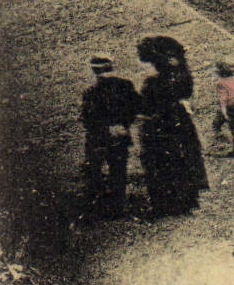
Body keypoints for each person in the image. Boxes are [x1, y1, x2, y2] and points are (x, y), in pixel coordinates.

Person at [136, 36, 208, 217]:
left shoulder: (152, 84)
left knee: (161, 162)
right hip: (180, 122)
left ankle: (165, 203)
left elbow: (145, 108)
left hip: (159, 126)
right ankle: (188, 199)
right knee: (184, 158)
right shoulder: (184, 77)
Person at [80, 56, 137, 218]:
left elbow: (87, 118)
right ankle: (117, 208)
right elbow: (135, 107)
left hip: (98, 138)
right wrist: (122, 125)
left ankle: (97, 208)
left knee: (94, 171)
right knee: (118, 171)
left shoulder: (90, 92)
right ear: (111, 67)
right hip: (120, 135)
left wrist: (105, 128)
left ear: (93, 70)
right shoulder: (125, 85)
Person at [211, 62, 234, 158]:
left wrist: (224, 111)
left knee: (216, 125)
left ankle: (221, 144)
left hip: (228, 108)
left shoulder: (221, 83)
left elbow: (223, 99)